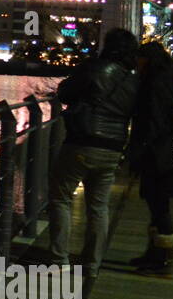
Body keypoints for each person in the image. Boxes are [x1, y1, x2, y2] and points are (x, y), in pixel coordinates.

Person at [48, 27, 140, 279]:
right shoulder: (133, 80)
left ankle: (59, 260)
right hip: (113, 148)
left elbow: (65, 92)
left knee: (60, 198)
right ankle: (91, 265)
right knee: (99, 207)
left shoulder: (94, 68)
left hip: (82, 141)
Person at [126, 42, 173, 276]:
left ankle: (163, 260)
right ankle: (154, 253)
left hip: (158, 154)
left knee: (159, 205)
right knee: (157, 204)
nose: (137, 63)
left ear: (148, 60)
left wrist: (139, 152)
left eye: (140, 59)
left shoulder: (154, 83)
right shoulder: (166, 80)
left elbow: (152, 121)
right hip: (167, 151)